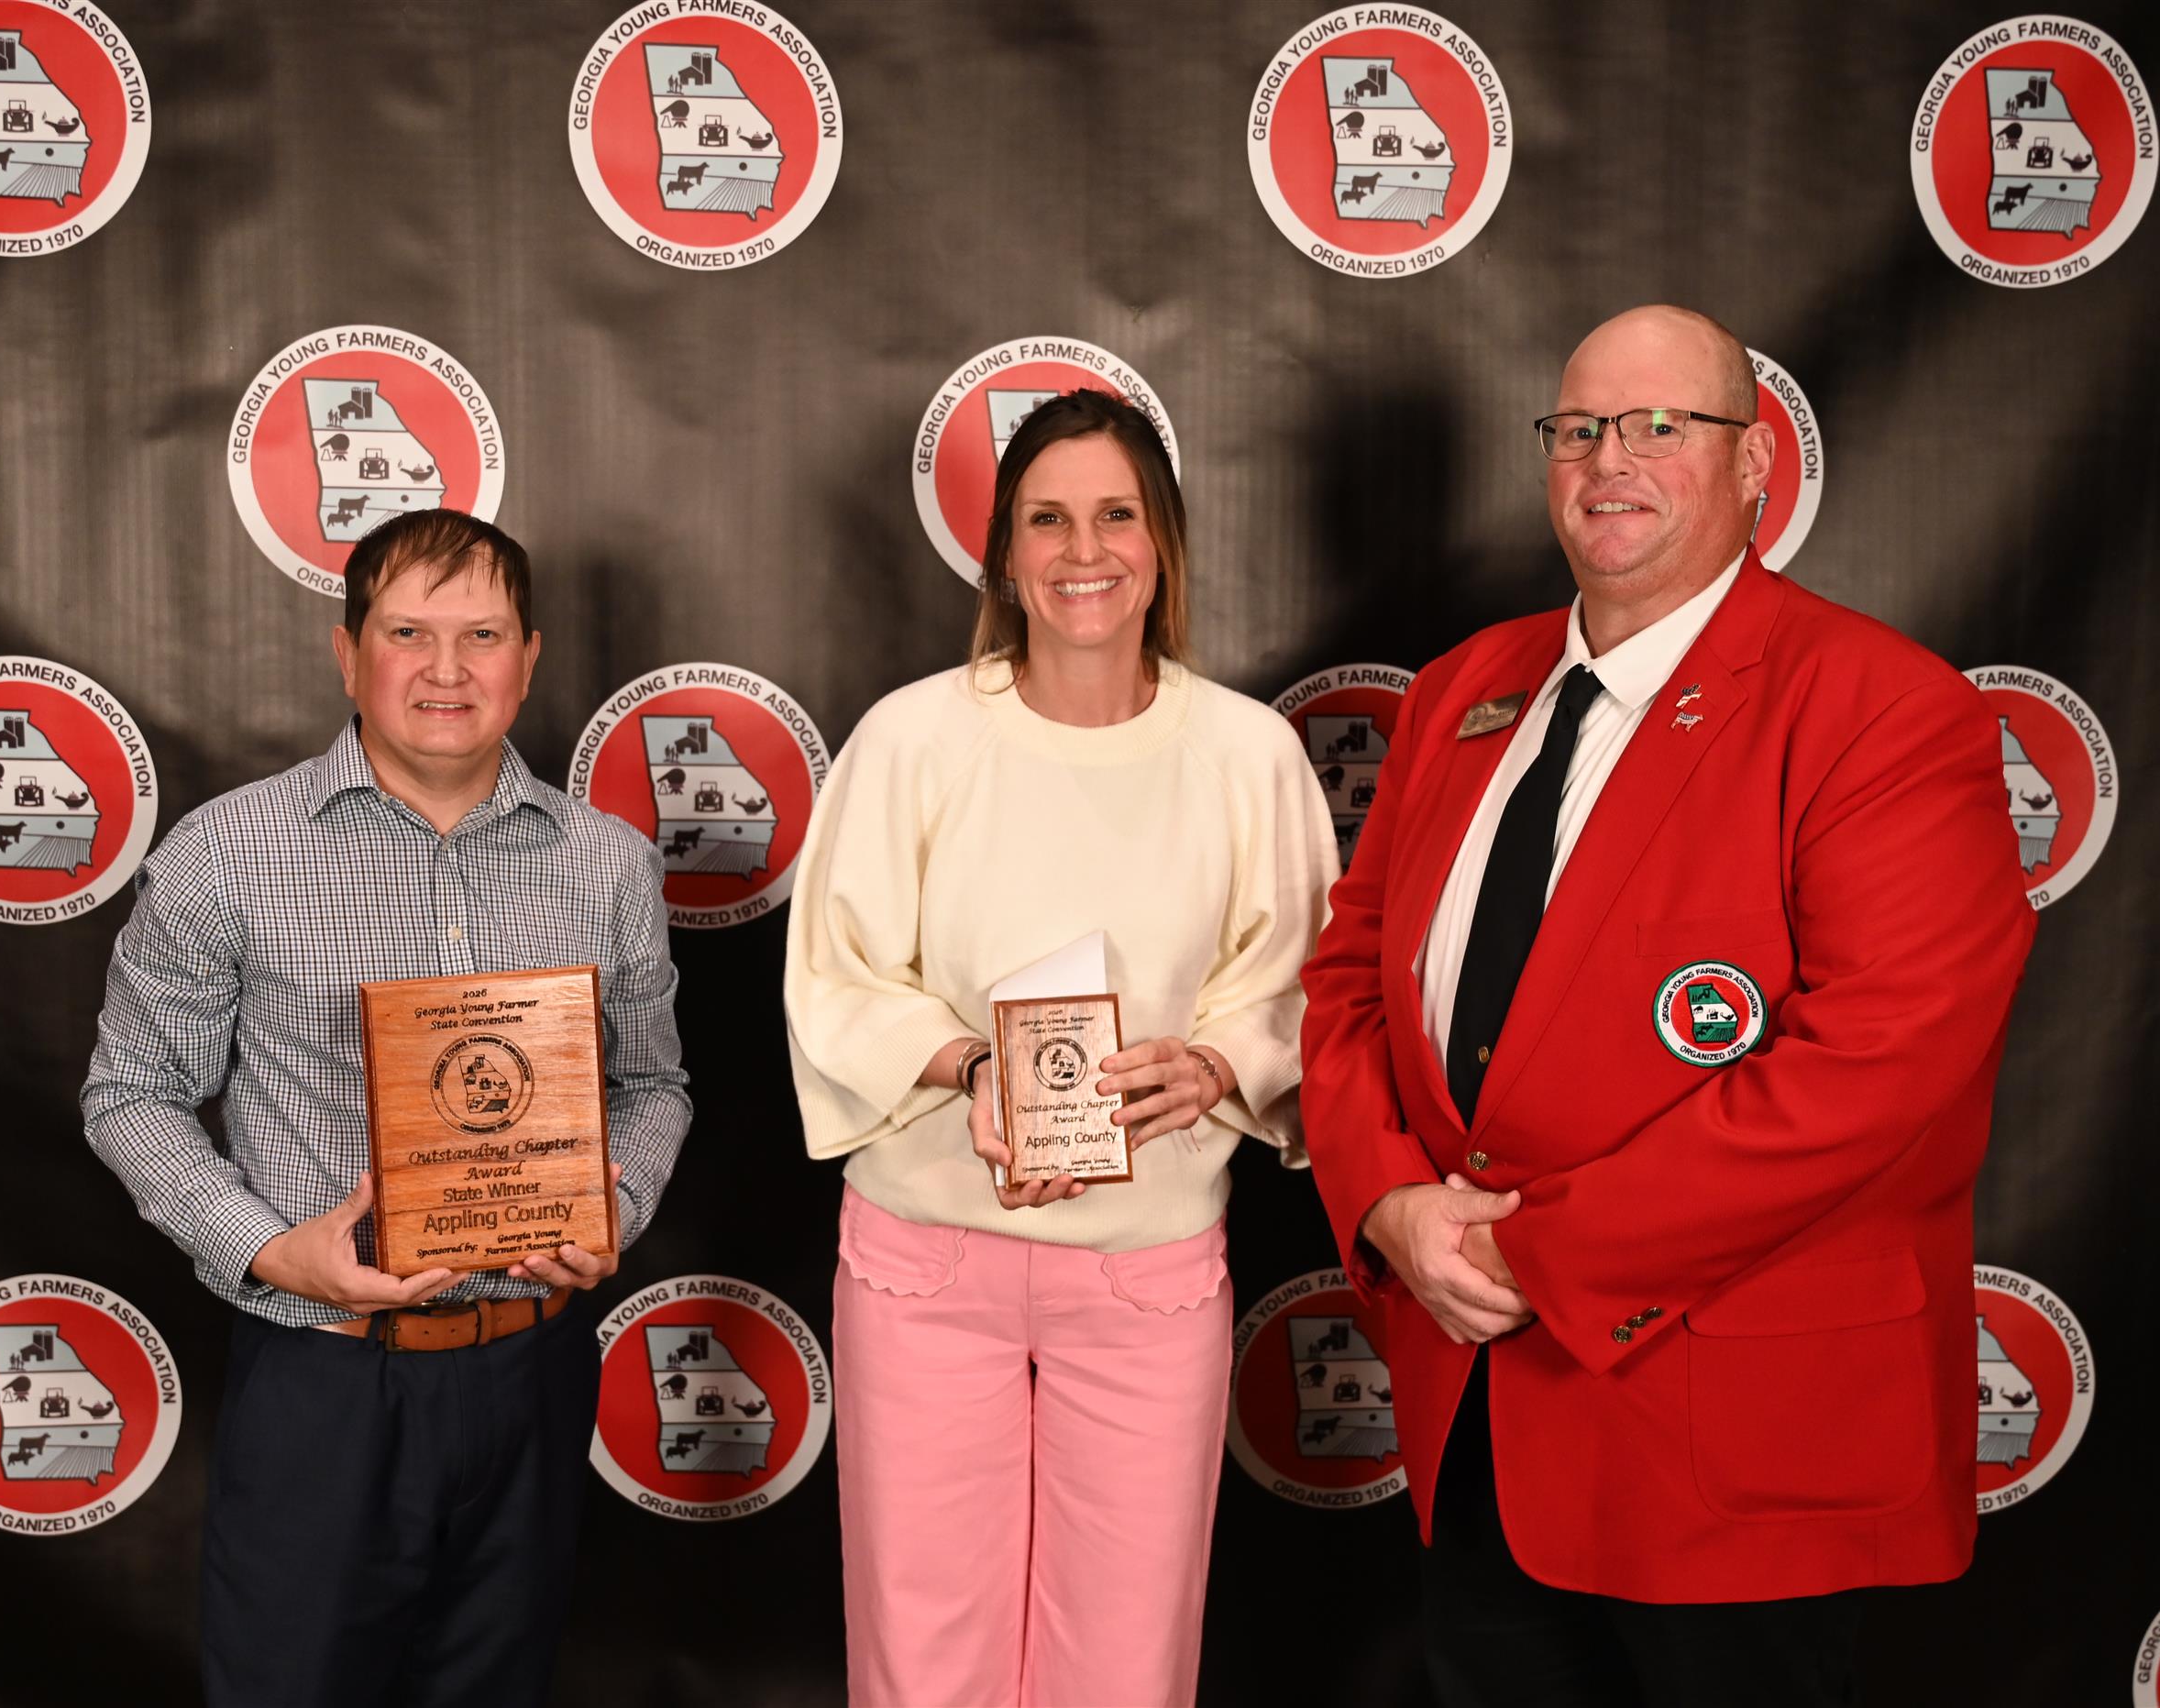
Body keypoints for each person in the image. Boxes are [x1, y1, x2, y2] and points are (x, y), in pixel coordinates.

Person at [1299, 305, 2036, 1705]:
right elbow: (1348, 981)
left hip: (1738, 1451)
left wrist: (1536, 1253)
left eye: (1659, 426)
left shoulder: (1883, 708)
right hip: (1483, 1422)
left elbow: (1879, 1061)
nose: (1609, 461)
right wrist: (1387, 1200)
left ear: (1754, 463)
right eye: (1578, 428)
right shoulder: (1463, 692)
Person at [81, 509, 690, 1708]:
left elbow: (652, 1085)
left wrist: (613, 1204)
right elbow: (132, 1094)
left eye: (482, 636)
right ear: (347, 653)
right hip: (324, 1378)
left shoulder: (609, 862)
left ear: (529, 658)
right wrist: (273, 1250)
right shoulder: (228, 853)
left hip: (530, 1369)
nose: (446, 669)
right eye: (408, 632)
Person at [785, 388, 1338, 1706]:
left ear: (1163, 544)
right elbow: (836, 975)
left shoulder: (1248, 753)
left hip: (1146, 1279)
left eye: (1115, 516)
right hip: (926, 1270)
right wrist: (970, 1067)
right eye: (1047, 519)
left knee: (1125, 1666)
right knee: (924, 1662)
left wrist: (1213, 1066)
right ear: (1003, 554)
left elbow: (1302, 987)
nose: (1083, 551)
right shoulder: (914, 738)